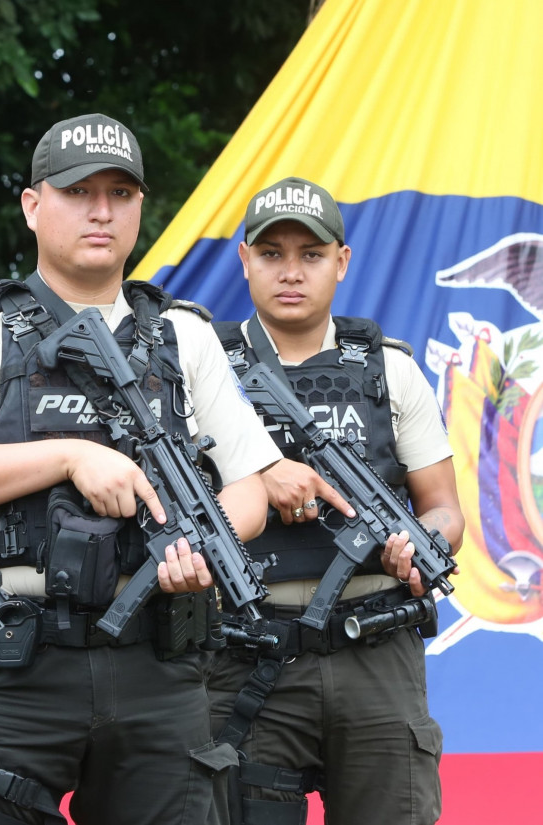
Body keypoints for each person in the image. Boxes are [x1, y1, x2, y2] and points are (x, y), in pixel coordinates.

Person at [0, 112, 282, 825]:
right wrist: (70, 455)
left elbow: (250, 484)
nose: (100, 210)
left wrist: (206, 548)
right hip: (16, 653)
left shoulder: (183, 334)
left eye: (120, 193)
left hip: (161, 660)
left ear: (140, 208)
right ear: (32, 205)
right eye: (79, 191)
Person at [208, 176, 465, 825]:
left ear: (341, 262)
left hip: (375, 647)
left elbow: (445, 509)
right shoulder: (202, 370)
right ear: (244, 259)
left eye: (311, 253)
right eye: (271, 253)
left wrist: (423, 541)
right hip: (246, 651)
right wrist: (257, 481)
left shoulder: (390, 369)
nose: (291, 271)